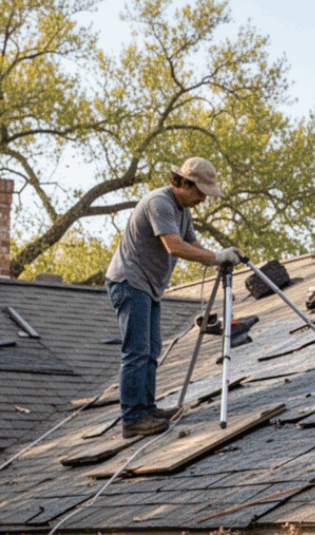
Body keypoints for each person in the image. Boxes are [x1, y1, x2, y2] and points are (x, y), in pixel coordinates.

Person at [104, 157, 243, 438]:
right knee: (137, 350)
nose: (202, 200)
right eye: (200, 193)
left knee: (152, 349)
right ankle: (133, 419)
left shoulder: (182, 210)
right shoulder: (160, 203)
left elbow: (192, 244)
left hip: (148, 286)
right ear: (183, 183)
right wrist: (216, 257)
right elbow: (174, 246)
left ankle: (147, 409)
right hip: (129, 282)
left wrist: (219, 257)